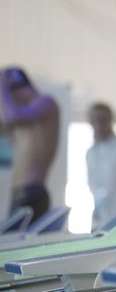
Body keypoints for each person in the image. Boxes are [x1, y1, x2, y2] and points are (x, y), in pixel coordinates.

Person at [0, 66, 59, 222]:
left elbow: (10, 118)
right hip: (20, 195)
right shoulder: (23, 119)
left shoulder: (45, 103)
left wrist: (1, 85)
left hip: (31, 193)